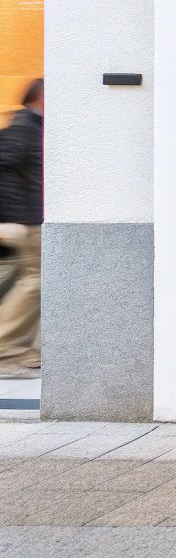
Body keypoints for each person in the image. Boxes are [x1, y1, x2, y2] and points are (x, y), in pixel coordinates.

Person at [0, 80, 43, 377]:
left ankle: (23, 351)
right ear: (41, 98)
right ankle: (7, 347)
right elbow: (4, 171)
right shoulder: (25, 128)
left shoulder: (35, 127)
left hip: (34, 219)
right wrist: (12, 217)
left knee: (33, 283)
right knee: (35, 282)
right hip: (27, 221)